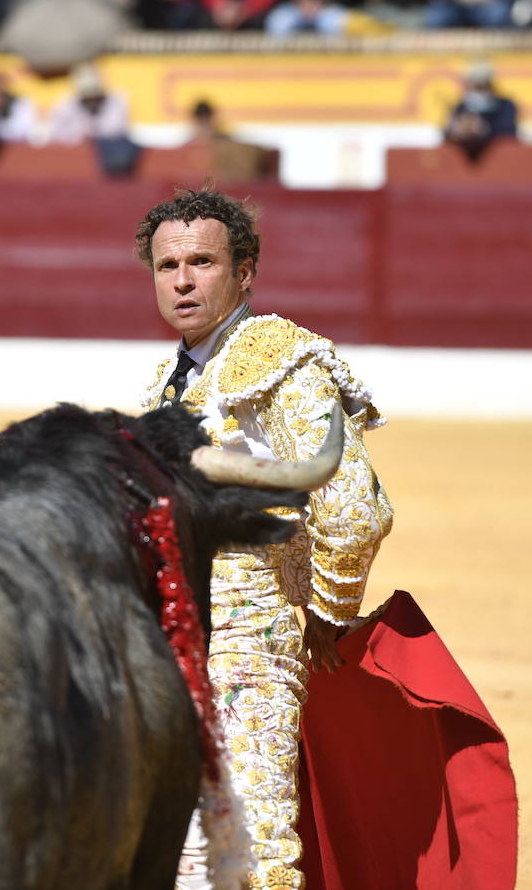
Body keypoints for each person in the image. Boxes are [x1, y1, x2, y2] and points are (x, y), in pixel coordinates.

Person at [136, 188, 393, 890]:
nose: (183, 280)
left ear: (243, 272)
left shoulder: (279, 361)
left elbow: (354, 509)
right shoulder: (166, 381)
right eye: (167, 266)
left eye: (202, 262)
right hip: (171, 650)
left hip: (251, 643)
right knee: (187, 855)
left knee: (249, 852)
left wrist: (326, 617)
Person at [443, 58, 518, 161]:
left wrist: (482, 129)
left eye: (482, 86)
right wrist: (456, 131)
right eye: (476, 86)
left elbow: (509, 132)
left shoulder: (505, 106)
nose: (478, 91)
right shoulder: (460, 108)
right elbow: (445, 135)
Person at [45, 64, 130, 146]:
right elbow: (55, 134)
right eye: (87, 98)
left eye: (95, 97)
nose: (92, 101)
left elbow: (114, 130)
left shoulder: (116, 100)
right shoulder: (65, 104)